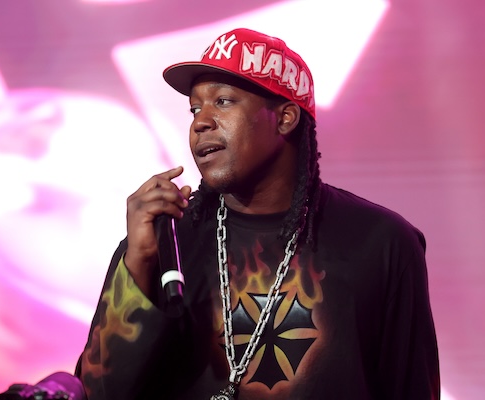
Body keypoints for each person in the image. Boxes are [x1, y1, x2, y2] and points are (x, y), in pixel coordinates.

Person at [75, 28, 440, 399]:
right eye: (195, 109)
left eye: (223, 101)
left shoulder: (381, 242)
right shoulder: (166, 241)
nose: (200, 122)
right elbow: (95, 392)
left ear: (284, 118)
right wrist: (138, 262)